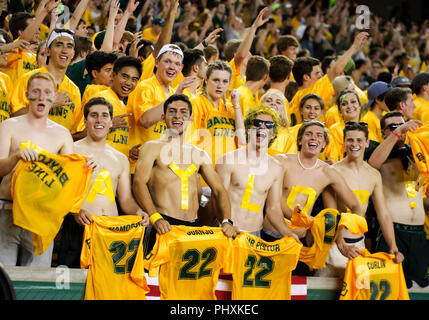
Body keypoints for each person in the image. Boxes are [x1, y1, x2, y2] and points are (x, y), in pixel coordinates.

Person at [132, 94, 236, 253]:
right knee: (154, 277)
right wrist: (154, 217)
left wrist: (227, 221)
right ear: (163, 117)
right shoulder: (151, 148)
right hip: (162, 224)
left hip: (192, 228)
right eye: (172, 112)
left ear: (191, 118)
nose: (177, 116)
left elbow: (219, 190)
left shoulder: (199, 154)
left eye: (183, 112)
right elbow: (138, 183)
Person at [57, 96, 149, 268]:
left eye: (105, 115)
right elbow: (59, 192)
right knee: (75, 289)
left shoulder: (120, 158)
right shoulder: (71, 150)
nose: (99, 120)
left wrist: (138, 211)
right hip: (79, 228)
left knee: (105, 288)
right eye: (94, 115)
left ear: (111, 122)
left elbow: (126, 200)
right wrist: (74, 211)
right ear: (85, 121)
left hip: (111, 231)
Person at [0, 72, 74, 266]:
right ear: (27, 95)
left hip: (42, 216)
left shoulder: (63, 134)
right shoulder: (8, 126)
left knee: (36, 283)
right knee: (3, 280)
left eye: (47, 92)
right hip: (7, 209)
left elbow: (68, 179)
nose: (42, 97)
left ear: (55, 97)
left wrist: (87, 166)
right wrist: (16, 157)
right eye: (36, 91)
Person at [317, 121, 403, 277]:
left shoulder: (373, 175)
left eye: (359, 140)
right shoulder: (332, 171)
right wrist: (341, 245)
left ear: (367, 143)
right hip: (334, 245)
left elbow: (383, 213)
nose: (354, 144)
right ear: (343, 142)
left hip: (359, 244)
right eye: (350, 140)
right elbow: (331, 214)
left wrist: (393, 246)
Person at [262, 120, 362, 241]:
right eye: (308, 134)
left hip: (300, 240)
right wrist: (308, 220)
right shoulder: (282, 161)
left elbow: (355, 205)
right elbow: (272, 200)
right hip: (271, 233)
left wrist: (342, 232)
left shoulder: (329, 172)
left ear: (324, 144)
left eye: (319, 135)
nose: (313, 138)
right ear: (300, 140)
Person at [215, 105, 299, 240]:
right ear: (248, 130)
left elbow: (273, 209)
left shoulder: (276, 168)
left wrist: (286, 232)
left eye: (269, 125)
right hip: (225, 231)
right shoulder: (228, 160)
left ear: (273, 134)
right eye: (257, 123)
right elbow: (217, 198)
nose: (262, 127)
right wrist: (226, 223)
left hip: (255, 235)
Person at [368, 111, 429, 288]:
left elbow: (415, 194)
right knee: (389, 287)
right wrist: (398, 133)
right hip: (392, 231)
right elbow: (373, 164)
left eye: (402, 124)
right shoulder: (377, 152)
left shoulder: (417, 154)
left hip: (418, 233)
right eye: (392, 127)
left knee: (418, 289)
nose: (399, 129)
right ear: (383, 132)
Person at [10, 28, 83, 140]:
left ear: (73, 53)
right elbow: (13, 116)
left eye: (69, 46)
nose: (64, 50)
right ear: (47, 51)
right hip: (29, 148)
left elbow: (72, 132)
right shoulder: (28, 79)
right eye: (59, 45)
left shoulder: (74, 90)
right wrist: (49, 103)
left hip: (58, 152)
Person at [288, 31, 369, 126]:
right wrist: (354, 47)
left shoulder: (295, 99)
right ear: (306, 77)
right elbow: (335, 71)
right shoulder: (313, 91)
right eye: (317, 73)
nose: (321, 76)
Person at [77, 56, 142, 158]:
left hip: (117, 167)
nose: (129, 83)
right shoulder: (101, 98)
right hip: (98, 167)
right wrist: (108, 125)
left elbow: (113, 142)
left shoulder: (123, 105)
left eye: (134, 79)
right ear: (113, 75)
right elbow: (78, 136)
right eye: (125, 76)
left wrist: (128, 152)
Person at [324, 90, 362, 163]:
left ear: (359, 106)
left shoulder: (366, 129)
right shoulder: (334, 131)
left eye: (353, 102)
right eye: (344, 104)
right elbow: (332, 159)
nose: (349, 106)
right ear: (340, 110)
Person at [260, 89, 296, 157]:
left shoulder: (288, 137)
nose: (273, 103)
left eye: (278, 102)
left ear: (283, 110)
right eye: (268, 101)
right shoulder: (251, 131)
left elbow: (290, 164)